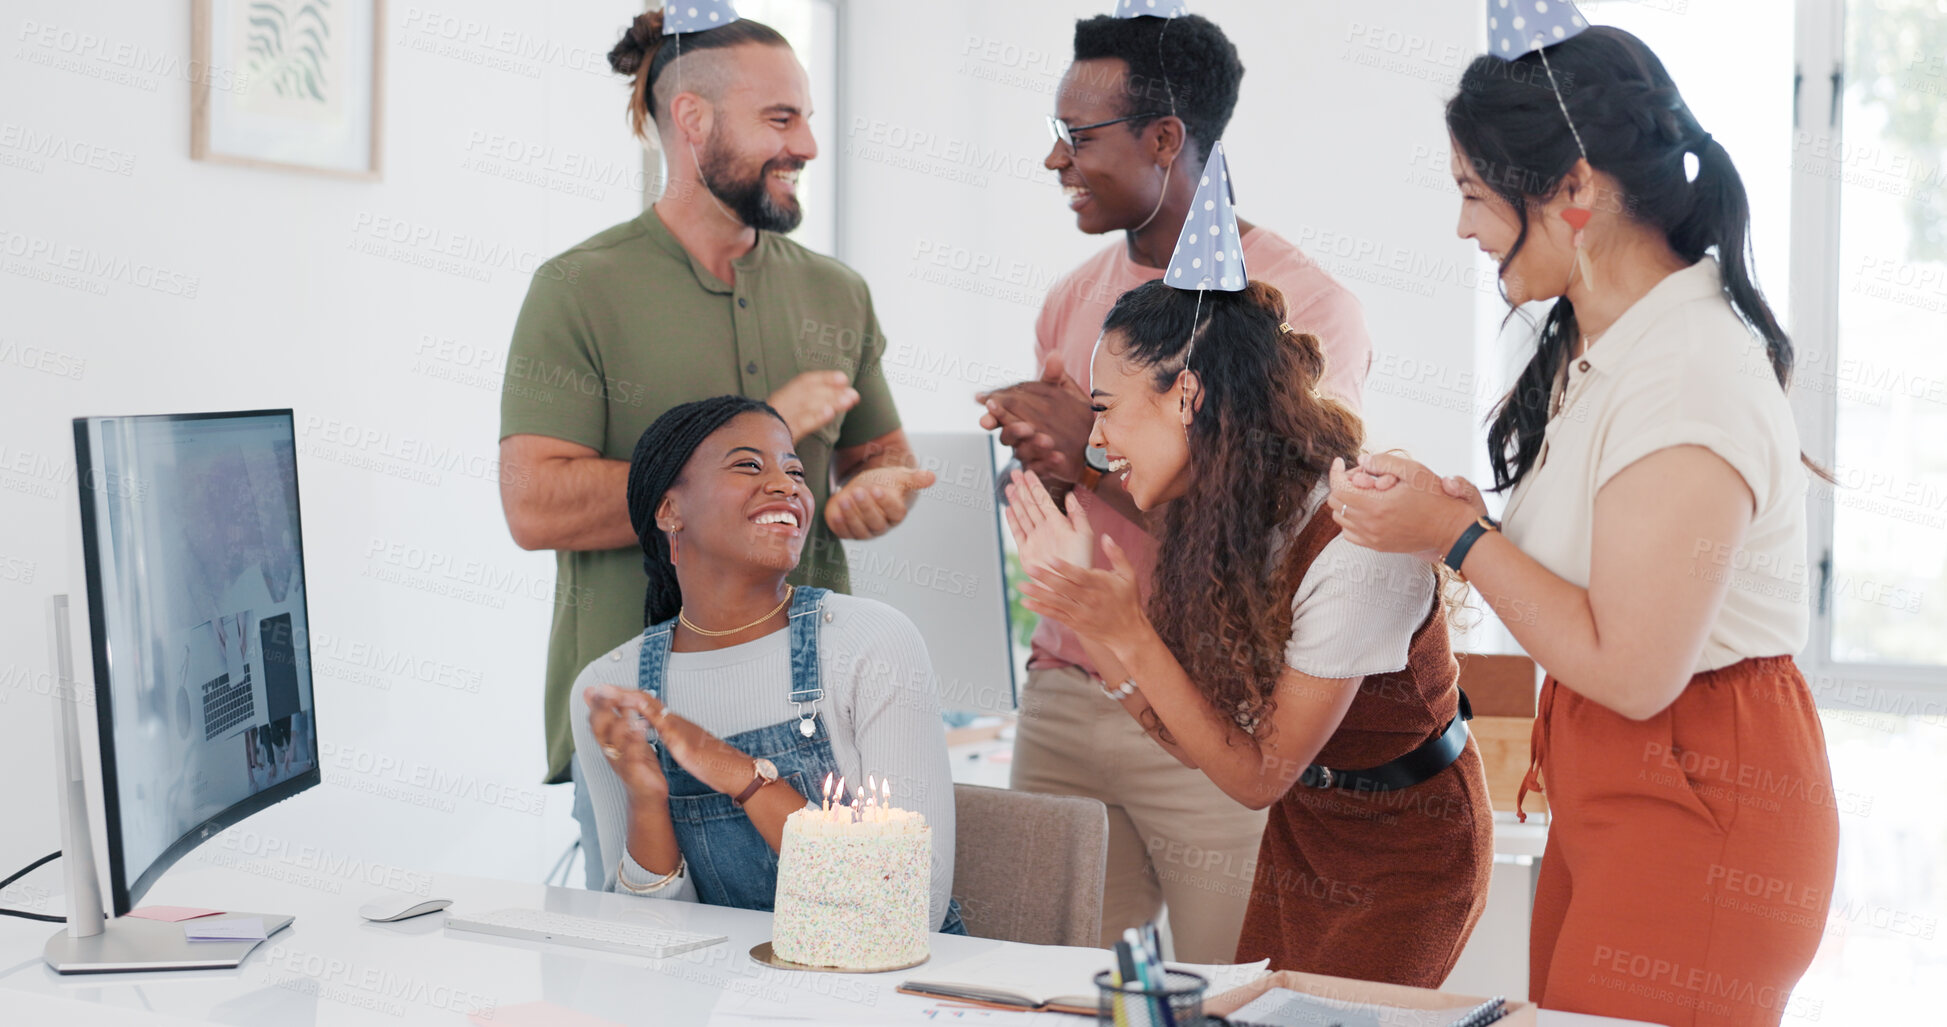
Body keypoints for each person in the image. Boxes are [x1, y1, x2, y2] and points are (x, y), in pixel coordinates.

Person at [1329, 25, 1838, 1026]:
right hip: (1621, 792)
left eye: (1476, 193)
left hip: (1700, 800)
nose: (1465, 229)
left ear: (1573, 190)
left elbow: (1635, 665)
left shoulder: (1687, 367)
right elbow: (1605, 584)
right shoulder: (1614, 349)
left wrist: (1457, 538)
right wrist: (1464, 517)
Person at [497, 8, 933, 887]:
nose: (807, 143)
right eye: (780, 119)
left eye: (805, 117)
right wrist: (750, 431)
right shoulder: (580, 290)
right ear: (693, 121)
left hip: (821, 712)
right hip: (642, 726)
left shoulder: (836, 293)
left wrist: (876, 492)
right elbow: (533, 503)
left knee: (856, 938)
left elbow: (879, 456)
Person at [977, 9, 1377, 963]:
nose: (1055, 161)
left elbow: (1290, 514)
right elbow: (1081, 503)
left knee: (1230, 986)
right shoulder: (1071, 299)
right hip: (1068, 690)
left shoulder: (1305, 308)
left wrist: (1088, 454)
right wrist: (1038, 462)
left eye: (1078, 139)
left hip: (1215, 700)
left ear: (1165, 140)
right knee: (1035, 984)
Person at [1007, 278, 1492, 985]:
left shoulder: (1355, 545)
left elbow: (1256, 773)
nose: (1095, 438)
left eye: (1104, 409)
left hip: (1406, 848)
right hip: (1308, 824)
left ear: (1186, 397)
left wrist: (1126, 629)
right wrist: (1089, 613)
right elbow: (1198, 737)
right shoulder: (1222, 520)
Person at [568, 396, 964, 932]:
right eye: (749, 465)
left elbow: (911, 911)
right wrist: (647, 801)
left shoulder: (871, 642)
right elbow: (641, 939)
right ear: (669, 510)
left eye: (795, 470)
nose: (786, 486)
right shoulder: (610, 688)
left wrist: (740, 776)